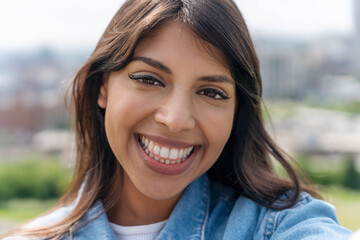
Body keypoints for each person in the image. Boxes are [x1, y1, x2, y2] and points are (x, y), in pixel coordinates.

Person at [1, 0, 354, 239]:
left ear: (237, 112)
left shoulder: (278, 226)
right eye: (148, 80)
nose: (175, 120)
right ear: (103, 87)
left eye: (211, 92)